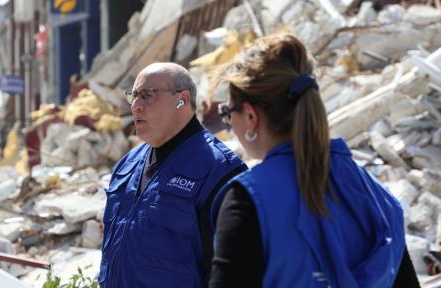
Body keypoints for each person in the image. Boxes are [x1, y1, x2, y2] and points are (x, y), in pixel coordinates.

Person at [208, 34, 419, 287]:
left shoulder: (247, 200)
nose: (229, 124)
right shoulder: (374, 194)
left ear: (251, 116)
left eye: (228, 113)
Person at [98, 62, 247, 288]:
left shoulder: (219, 171)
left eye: (147, 95)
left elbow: (234, 272)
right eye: (134, 96)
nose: (136, 106)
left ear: (182, 100)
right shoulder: (126, 166)